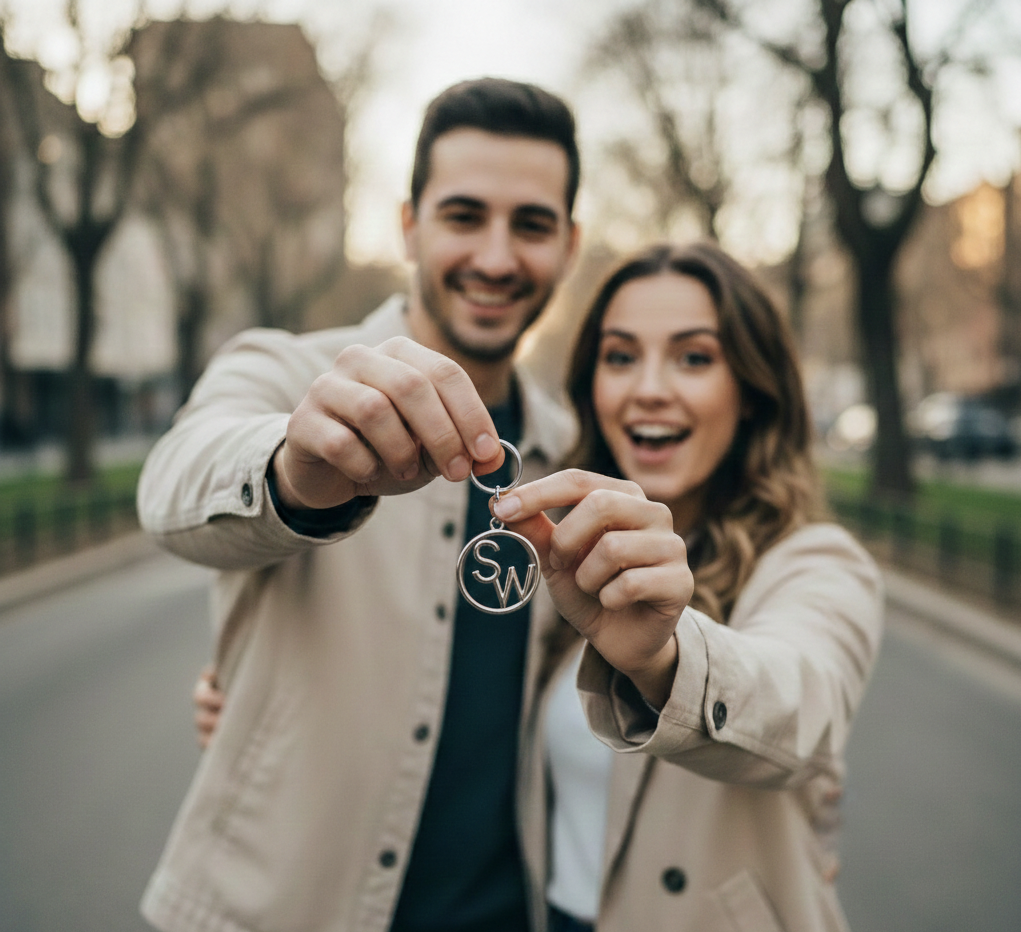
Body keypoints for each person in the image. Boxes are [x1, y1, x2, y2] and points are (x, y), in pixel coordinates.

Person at [193, 239, 884, 931]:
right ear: (590, 389)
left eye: (694, 357)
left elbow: (803, 704)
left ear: (753, 395)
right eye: (619, 356)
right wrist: (270, 701)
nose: (648, 386)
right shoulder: (565, 549)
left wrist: (662, 660)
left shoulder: (816, 561)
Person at [137, 77, 580, 932]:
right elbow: (172, 482)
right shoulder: (285, 371)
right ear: (409, 224)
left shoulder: (574, 446)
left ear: (570, 243)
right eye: (462, 216)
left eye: (531, 224)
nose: (496, 257)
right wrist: (297, 475)